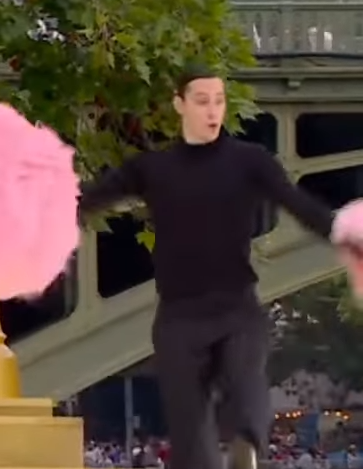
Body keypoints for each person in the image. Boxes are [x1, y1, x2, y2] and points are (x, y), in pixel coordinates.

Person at [78, 66, 347, 469]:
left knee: (246, 383)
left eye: (218, 101)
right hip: (178, 320)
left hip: (236, 308)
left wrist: (345, 233)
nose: (212, 111)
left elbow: (301, 206)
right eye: (202, 101)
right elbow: (86, 200)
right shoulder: (152, 169)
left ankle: (247, 446)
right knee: (190, 437)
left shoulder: (250, 162)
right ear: (179, 105)